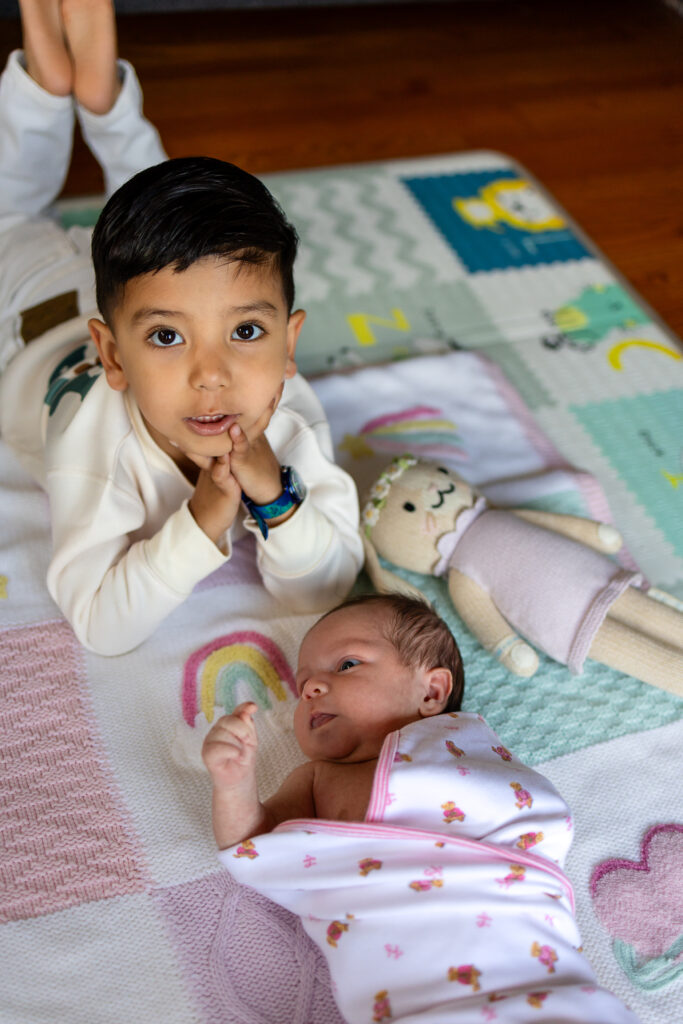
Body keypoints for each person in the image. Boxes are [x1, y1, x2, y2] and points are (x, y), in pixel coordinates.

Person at [0, 0, 363, 656]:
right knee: (8, 218)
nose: (212, 375)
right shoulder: (99, 451)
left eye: (247, 333)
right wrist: (198, 525)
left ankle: (81, 90)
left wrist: (273, 495)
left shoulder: (285, 421)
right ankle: (66, 90)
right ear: (110, 356)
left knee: (171, 232)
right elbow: (101, 626)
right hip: (27, 310)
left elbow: (324, 589)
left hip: (131, 294)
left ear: (289, 343)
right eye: (170, 341)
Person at [202, 593, 640, 1024]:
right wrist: (233, 782)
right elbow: (251, 844)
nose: (312, 689)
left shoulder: (464, 753)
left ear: (432, 692)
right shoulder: (316, 778)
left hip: (538, 980)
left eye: (347, 665)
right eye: (302, 687)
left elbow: (530, 817)